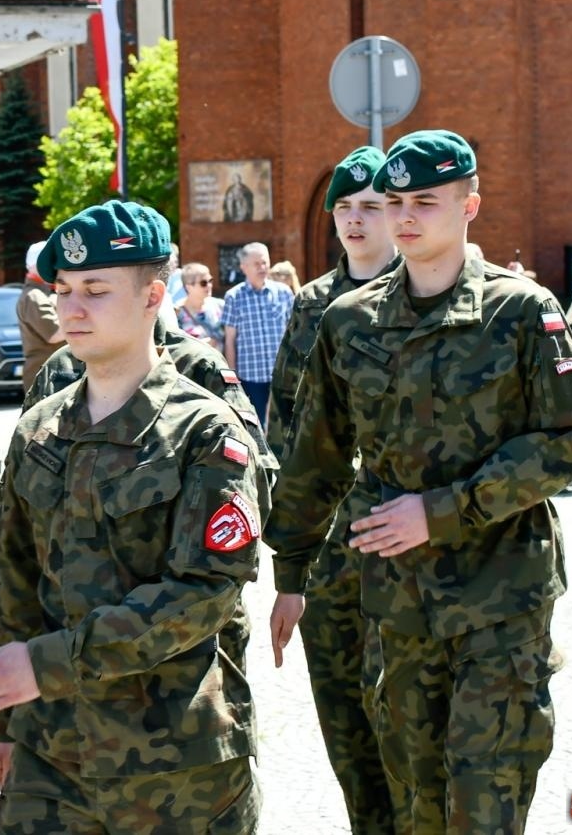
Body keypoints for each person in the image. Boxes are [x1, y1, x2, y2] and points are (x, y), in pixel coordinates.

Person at [264, 129, 572, 833]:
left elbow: (569, 438)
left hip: (501, 598)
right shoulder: (349, 322)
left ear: (469, 206)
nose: (405, 217)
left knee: (485, 798)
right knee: (415, 798)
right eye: (394, 202)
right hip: (398, 604)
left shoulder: (521, 311)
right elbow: (315, 458)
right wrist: (290, 571)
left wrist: (443, 510)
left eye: (425, 201)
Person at [0, 199, 266, 832]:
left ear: (153, 297)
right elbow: (20, 583)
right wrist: (7, 725)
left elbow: (202, 595)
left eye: (95, 291)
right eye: (63, 290)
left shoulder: (205, 432)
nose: (72, 308)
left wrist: (45, 664)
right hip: (51, 753)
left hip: (175, 760)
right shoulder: (40, 427)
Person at [264, 145, 401, 834]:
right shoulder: (313, 304)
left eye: (369, 206)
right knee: (345, 720)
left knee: (405, 715)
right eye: (344, 207)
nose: (354, 220)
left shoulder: (423, 289)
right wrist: (291, 554)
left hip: (404, 542)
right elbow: (284, 424)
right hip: (330, 548)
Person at [221, 241, 294, 425]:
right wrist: (232, 380)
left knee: (285, 427)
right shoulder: (234, 297)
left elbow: (293, 333)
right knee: (255, 428)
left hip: (281, 375)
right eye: (256, 264)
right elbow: (230, 340)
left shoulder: (284, 293)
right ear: (243, 267)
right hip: (250, 378)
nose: (262, 267)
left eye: (265, 262)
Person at [14, 240, 62, 389]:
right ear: (34, 265)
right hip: (46, 377)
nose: (52, 266)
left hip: (53, 374)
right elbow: (55, 334)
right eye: (46, 262)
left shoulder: (45, 293)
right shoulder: (34, 296)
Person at [174, 262, 226, 349]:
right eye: (203, 283)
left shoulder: (220, 306)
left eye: (210, 281)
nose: (209, 285)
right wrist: (202, 345)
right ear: (188, 287)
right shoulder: (176, 313)